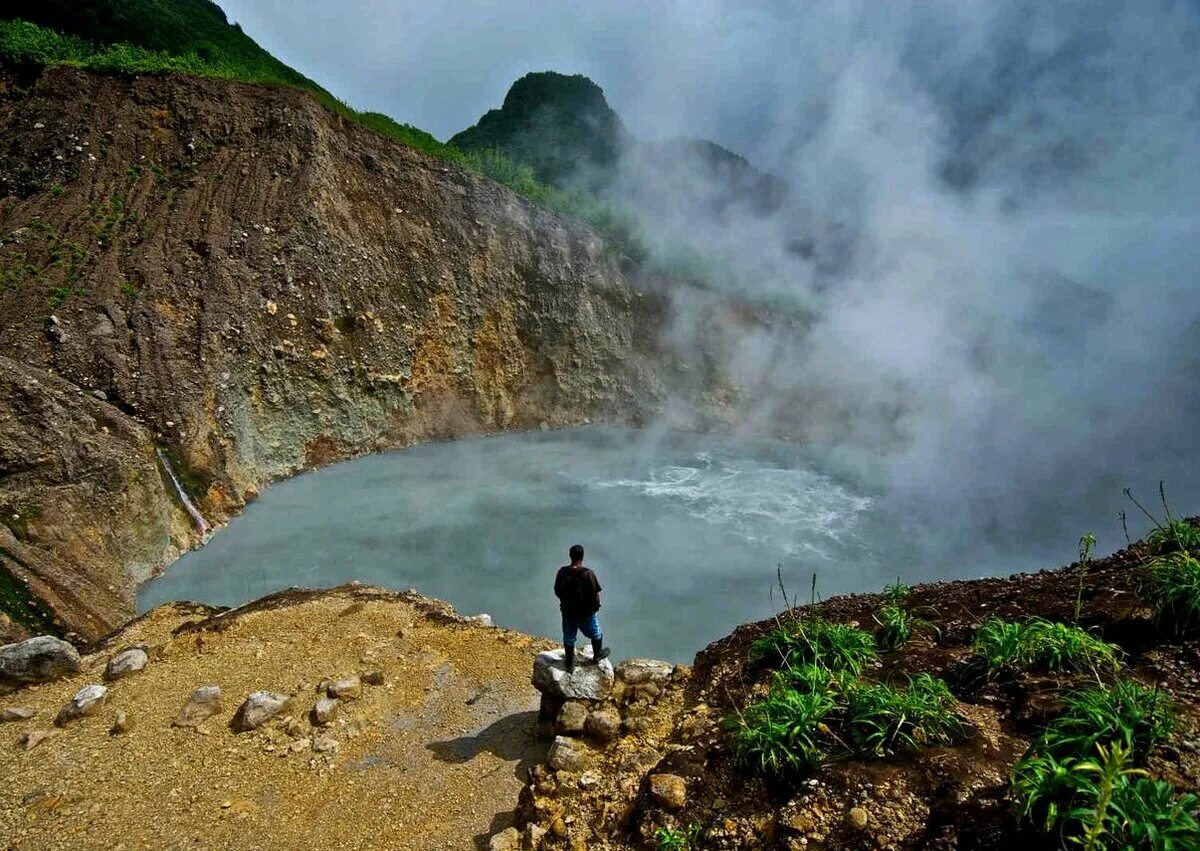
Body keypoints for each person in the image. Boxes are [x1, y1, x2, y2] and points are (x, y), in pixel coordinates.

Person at [554, 544, 610, 673]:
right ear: (582, 557)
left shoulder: (562, 571)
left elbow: (557, 590)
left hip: (567, 612)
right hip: (585, 613)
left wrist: (565, 602)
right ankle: (597, 656)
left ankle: (569, 664)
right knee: (596, 634)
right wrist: (596, 607)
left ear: (570, 556)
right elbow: (595, 593)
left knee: (569, 637)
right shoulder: (588, 573)